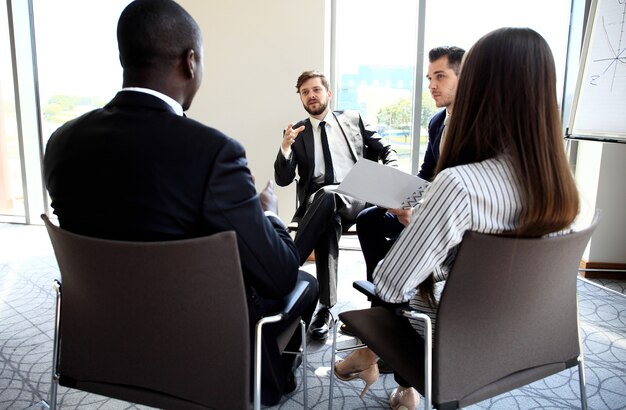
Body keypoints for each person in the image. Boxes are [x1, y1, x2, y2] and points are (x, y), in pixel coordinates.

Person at [43, 0, 318, 405]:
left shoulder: (62, 142)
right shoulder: (212, 153)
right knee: (304, 284)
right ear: (190, 62)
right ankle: (271, 380)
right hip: (199, 351)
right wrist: (271, 215)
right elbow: (277, 275)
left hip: (100, 344)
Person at [334, 27, 580, 410]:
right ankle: (370, 357)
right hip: (533, 343)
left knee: (390, 287)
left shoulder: (461, 184)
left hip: (461, 348)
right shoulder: (560, 187)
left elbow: (391, 284)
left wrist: (423, 227)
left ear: (478, 86)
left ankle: (371, 356)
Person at [274, 70, 398, 340]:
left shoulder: (352, 119)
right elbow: (282, 180)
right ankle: (326, 309)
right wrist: (285, 148)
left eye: (316, 89)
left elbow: (386, 148)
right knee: (326, 210)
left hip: (355, 193)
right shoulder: (297, 133)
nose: (311, 95)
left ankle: (286, 266)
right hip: (320, 202)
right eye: (305, 92)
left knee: (329, 197)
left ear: (328, 93)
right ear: (301, 98)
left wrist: (390, 174)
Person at [355, 46, 465, 287]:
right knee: (367, 219)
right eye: (429, 78)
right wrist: (399, 197)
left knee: (397, 246)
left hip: (448, 214)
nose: (432, 86)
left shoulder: (475, 126)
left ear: (464, 76)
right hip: (425, 203)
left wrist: (417, 212)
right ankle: (378, 294)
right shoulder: (437, 122)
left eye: (440, 76)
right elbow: (426, 172)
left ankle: (392, 285)